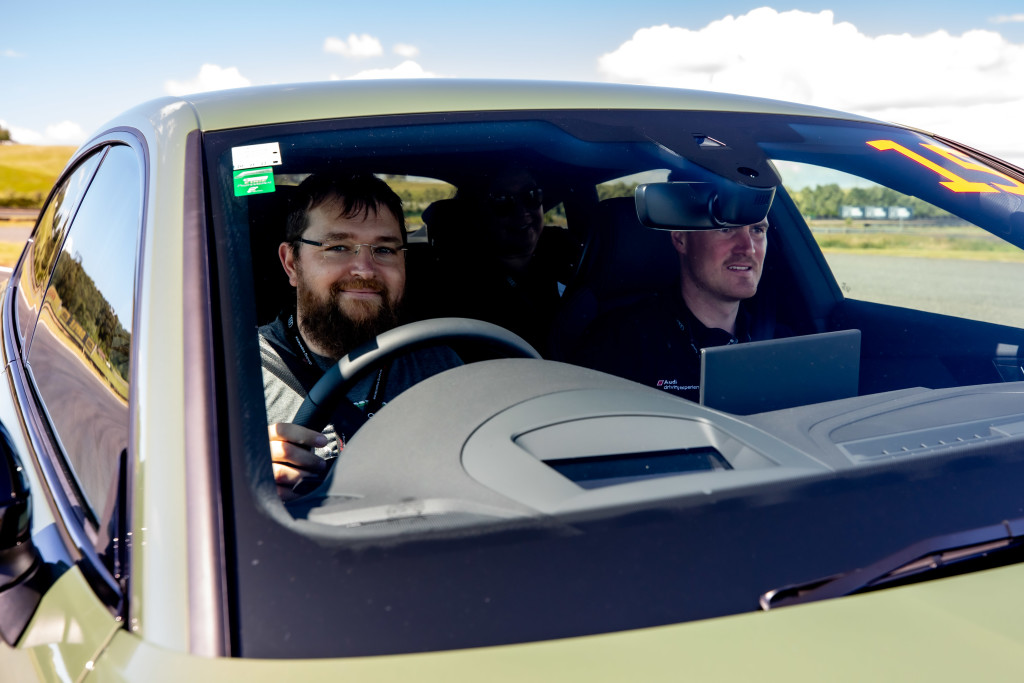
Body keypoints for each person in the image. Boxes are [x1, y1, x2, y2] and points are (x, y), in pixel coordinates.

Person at [260, 173, 461, 499]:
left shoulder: (440, 368)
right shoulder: (238, 377)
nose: (365, 270)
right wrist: (243, 480)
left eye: (384, 250)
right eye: (338, 247)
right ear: (291, 263)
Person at [572, 218, 772, 403]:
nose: (749, 248)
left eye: (757, 230)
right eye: (725, 228)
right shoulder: (618, 344)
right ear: (680, 239)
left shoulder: (777, 342)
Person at [434, 168, 572, 354]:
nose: (522, 211)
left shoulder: (566, 249)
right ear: (478, 213)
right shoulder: (461, 285)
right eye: (502, 201)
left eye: (531, 195)